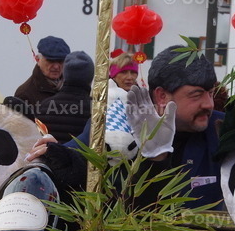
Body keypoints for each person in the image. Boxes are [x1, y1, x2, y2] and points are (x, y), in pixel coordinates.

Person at [38, 46, 224, 212]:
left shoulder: (221, 129)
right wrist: (54, 153)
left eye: (210, 93)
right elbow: (79, 154)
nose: (209, 104)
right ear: (161, 96)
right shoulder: (120, 124)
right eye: (196, 95)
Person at [32, 51, 93, 143]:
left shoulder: (44, 106)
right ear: (90, 77)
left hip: (48, 156)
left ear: (65, 74)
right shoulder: (94, 110)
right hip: (81, 157)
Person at [14, 36, 70, 108]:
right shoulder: (24, 94)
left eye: (60, 61)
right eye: (51, 61)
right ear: (37, 59)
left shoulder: (75, 87)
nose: (56, 66)